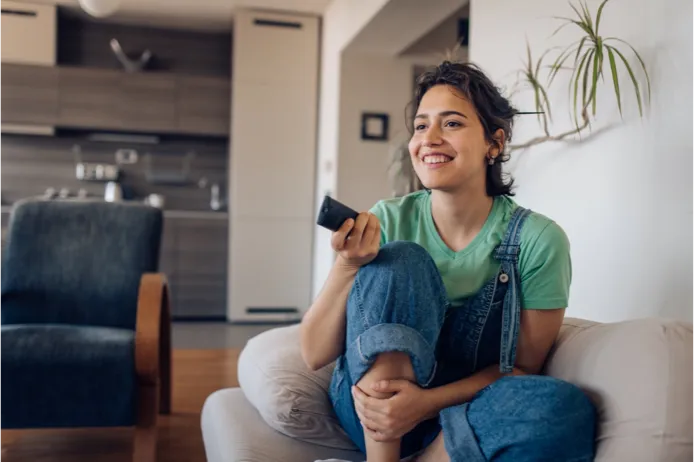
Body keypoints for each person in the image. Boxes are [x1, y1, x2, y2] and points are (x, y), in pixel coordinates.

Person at [300, 61, 597, 462]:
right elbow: (314, 354)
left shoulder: (538, 239)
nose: (430, 139)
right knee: (403, 259)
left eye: (452, 124)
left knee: (564, 408)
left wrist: (424, 403)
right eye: (421, 126)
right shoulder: (388, 219)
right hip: (371, 417)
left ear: (495, 143)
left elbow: (520, 371)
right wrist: (347, 266)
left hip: (464, 410)